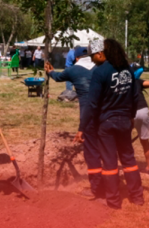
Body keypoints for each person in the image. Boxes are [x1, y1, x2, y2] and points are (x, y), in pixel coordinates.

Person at [79, 39, 144, 209]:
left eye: (93, 56)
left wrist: (82, 128)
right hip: (124, 122)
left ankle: (114, 201)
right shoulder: (128, 71)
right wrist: (130, 118)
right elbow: (135, 97)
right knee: (129, 160)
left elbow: (92, 103)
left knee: (110, 163)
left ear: (101, 53)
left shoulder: (100, 72)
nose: (92, 60)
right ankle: (137, 197)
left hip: (106, 124)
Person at [45, 47, 104, 199]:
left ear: (77, 58)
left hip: (88, 117)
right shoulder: (101, 67)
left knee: (91, 153)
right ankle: (111, 184)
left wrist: (50, 71)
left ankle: (96, 189)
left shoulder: (74, 70)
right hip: (106, 115)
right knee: (106, 151)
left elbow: (58, 77)